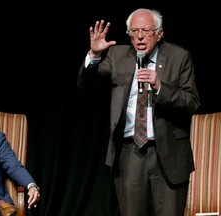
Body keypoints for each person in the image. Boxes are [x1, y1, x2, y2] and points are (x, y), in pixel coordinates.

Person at [77, 8, 201, 216]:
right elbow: (86, 84)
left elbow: (192, 102)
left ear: (159, 33)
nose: (140, 36)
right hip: (130, 152)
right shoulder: (118, 56)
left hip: (168, 155)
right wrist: (94, 55)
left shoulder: (179, 57)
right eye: (134, 31)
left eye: (146, 31)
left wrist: (160, 87)